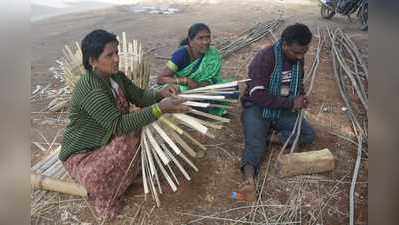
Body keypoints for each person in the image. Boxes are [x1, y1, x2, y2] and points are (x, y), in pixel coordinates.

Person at [59, 29, 190, 219]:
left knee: (137, 128)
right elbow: (118, 125)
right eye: (109, 55)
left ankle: (124, 177)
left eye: (117, 52)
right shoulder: (90, 88)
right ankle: (106, 198)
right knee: (129, 135)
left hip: (103, 141)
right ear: (92, 61)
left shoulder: (116, 77)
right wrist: (159, 109)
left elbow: (140, 96)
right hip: (82, 155)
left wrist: (160, 93)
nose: (116, 59)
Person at [239, 23, 316, 200]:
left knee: (308, 135)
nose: (299, 57)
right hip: (257, 107)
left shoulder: (298, 58)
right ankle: (249, 180)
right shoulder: (265, 58)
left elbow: (298, 83)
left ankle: (270, 137)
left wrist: (301, 97)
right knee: (255, 145)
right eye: (296, 52)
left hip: (281, 107)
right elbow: (257, 94)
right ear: (284, 44)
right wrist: (290, 103)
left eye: (303, 52)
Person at [157, 23, 233, 116]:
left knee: (230, 89)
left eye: (207, 37)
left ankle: (201, 106)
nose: (205, 42)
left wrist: (207, 83)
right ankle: (200, 107)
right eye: (200, 38)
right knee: (175, 92)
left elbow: (214, 78)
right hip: (185, 89)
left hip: (203, 88)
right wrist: (186, 81)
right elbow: (161, 79)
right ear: (190, 40)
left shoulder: (213, 54)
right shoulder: (181, 55)